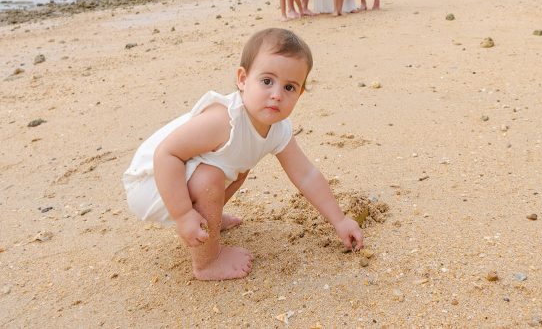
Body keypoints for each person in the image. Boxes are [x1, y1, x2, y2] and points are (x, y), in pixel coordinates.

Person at [122, 28, 365, 280]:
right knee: (210, 177)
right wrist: (183, 215)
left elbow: (306, 175)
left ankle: (209, 219)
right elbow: (166, 154)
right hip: (151, 184)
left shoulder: (278, 130)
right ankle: (207, 262)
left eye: (290, 87)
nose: (276, 95)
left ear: (300, 93)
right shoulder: (223, 120)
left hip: (176, 178)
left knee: (239, 165)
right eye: (267, 81)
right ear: (242, 79)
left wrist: (340, 220)